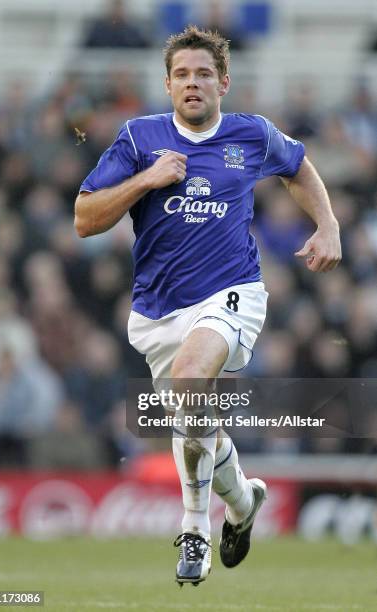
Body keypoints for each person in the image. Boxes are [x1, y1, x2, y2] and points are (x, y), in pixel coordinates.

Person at [74, 26, 341, 586]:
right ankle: (242, 503)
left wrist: (328, 225)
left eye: (203, 75)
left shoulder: (252, 135)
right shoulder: (138, 138)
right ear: (167, 85)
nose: (192, 84)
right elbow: (85, 218)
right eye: (182, 75)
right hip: (157, 311)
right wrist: (148, 178)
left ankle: (195, 527)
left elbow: (298, 166)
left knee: (193, 380)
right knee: (195, 423)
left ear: (224, 82)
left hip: (233, 293)